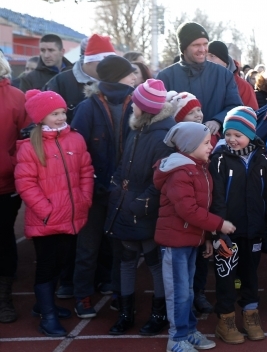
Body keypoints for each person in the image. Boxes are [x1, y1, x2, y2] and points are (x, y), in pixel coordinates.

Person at [153, 122, 236, 352]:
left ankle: (188, 331)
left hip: (190, 239)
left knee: (187, 291)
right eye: (206, 143)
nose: (211, 146)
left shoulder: (198, 168)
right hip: (175, 242)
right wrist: (219, 225)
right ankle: (176, 338)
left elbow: (200, 207)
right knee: (178, 292)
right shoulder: (181, 172)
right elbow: (188, 210)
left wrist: (206, 237)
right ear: (190, 146)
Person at [15, 90, 93, 336]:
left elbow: (86, 171)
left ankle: (44, 304)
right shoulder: (30, 146)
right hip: (46, 219)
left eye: (62, 112)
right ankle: (47, 316)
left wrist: (84, 200)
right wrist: (46, 211)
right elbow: (26, 184)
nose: (61, 117)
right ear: (41, 118)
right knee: (47, 265)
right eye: (54, 114)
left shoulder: (76, 139)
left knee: (62, 261)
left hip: (72, 215)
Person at [70, 55, 138, 318]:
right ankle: (82, 296)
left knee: (122, 248)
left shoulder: (136, 104)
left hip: (124, 190)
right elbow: (78, 150)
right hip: (94, 190)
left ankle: (119, 293)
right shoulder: (88, 108)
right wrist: (92, 182)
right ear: (116, 77)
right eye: (129, 73)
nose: (134, 77)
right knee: (88, 246)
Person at [104, 79, 174, 336]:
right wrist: (116, 187)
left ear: (146, 108)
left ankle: (159, 313)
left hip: (144, 209)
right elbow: (124, 164)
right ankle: (126, 313)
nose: (132, 106)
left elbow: (161, 179)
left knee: (154, 261)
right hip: (126, 204)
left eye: (135, 103)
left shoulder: (162, 137)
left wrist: (139, 203)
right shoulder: (137, 129)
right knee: (126, 259)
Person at [209, 106, 267, 343]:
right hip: (228, 232)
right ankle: (226, 319)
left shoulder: (262, 159)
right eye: (228, 134)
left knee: (250, 275)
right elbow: (217, 198)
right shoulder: (219, 160)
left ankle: (251, 314)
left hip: (254, 231)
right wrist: (219, 229)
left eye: (238, 135)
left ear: (250, 134)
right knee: (226, 276)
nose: (232, 139)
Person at [167, 91, 219, 313]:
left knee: (202, 257)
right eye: (191, 112)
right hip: (186, 218)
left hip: (205, 208)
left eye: (199, 110)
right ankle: (184, 310)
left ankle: (198, 293)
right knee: (184, 266)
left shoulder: (211, 140)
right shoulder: (178, 155)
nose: (198, 115)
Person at [156, 22, 242, 137]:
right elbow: (158, 115)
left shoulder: (224, 74)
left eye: (205, 44)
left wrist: (218, 120)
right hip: (179, 143)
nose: (202, 49)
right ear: (183, 48)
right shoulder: (165, 77)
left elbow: (235, 107)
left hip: (215, 143)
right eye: (196, 45)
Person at [0, 55, 30, 323]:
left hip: (4, 184)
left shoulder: (16, 97)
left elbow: (27, 138)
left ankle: (3, 297)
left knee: (3, 237)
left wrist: (12, 164)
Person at [45, 34, 116, 123]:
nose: (109, 66)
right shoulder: (60, 82)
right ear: (88, 61)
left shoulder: (118, 82)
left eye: (112, 62)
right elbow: (42, 119)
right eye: (103, 62)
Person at [207, 41, 258, 110]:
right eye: (205, 56)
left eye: (212, 56)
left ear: (224, 60)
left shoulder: (243, 86)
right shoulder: (199, 81)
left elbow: (251, 113)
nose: (207, 59)